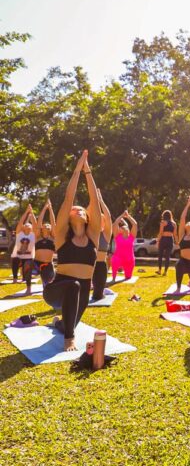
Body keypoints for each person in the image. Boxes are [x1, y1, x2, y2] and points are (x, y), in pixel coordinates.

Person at [43, 150, 101, 351]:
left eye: (82, 210)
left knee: (69, 323)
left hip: (82, 290)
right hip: (57, 288)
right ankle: (69, 340)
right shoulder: (61, 236)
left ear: (87, 218)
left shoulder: (93, 236)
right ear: (68, 217)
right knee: (73, 286)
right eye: (75, 209)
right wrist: (77, 170)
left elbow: (94, 202)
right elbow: (68, 199)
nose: (79, 209)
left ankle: (59, 323)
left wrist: (89, 172)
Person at [91, 190, 112, 301]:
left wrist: (100, 201)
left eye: (101, 219)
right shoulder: (91, 232)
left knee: (98, 295)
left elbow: (108, 217)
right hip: (90, 265)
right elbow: (88, 213)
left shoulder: (106, 234)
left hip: (101, 265)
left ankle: (101, 292)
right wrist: (93, 201)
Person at [12, 204, 37, 294]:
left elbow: (35, 223)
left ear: (31, 228)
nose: (27, 225)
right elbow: (20, 222)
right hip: (18, 255)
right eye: (25, 225)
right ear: (23, 227)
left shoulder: (33, 234)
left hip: (28, 257)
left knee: (27, 272)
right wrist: (26, 212)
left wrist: (32, 213)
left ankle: (28, 288)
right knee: (16, 265)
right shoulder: (19, 233)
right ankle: (15, 278)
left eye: (29, 225)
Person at [34, 200, 57, 286]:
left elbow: (53, 222)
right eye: (45, 225)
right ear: (42, 228)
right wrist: (45, 208)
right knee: (27, 266)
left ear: (51, 229)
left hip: (48, 264)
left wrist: (50, 209)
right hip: (36, 264)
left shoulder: (53, 238)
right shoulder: (38, 237)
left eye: (48, 225)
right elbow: (39, 220)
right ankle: (28, 289)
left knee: (48, 284)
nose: (47, 225)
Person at [111, 210, 137, 283]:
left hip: (129, 260)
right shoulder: (117, 236)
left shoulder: (131, 237)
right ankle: (113, 277)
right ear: (120, 230)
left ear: (128, 230)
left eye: (125, 227)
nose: (123, 227)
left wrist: (128, 216)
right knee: (115, 260)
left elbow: (135, 224)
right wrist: (122, 215)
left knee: (128, 277)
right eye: (122, 227)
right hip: (118, 257)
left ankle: (127, 273)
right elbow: (115, 223)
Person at [155, 209, 177, 276]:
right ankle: (165, 272)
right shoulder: (174, 223)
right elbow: (175, 234)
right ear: (170, 216)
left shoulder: (162, 222)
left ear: (163, 215)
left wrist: (157, 240)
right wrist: (177, 242)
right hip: (170, 239)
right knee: (167, 256)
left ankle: (159, 270)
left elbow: (161, 232)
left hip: (163, 239)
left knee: (160, 255)